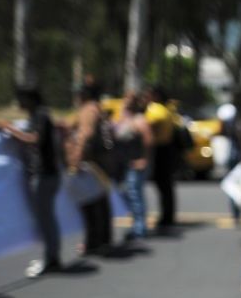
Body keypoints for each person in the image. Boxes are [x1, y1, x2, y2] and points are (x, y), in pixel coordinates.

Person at [0, 85, 63, 276]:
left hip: (44, 175)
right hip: (45, 174)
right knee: (46, 218)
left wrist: (8, 128)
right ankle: (51, 256)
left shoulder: (41, 115)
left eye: (21, 99)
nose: (19, 103)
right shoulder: (38, 115)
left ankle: (52, 259)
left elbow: (34, 139)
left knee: (45, 219)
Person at [67, 82, 113, 255]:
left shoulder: (88, 110)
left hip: (91, 162)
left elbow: (85, 133)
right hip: (98, 161)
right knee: (99, 201)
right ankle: (102, 240)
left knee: (91, 202)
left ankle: (95, 241)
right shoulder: (95, 108)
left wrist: (76, 158)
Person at [114, 92, 153, 241]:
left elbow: (148, 140)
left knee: (135, 195)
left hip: (136, 164)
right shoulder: (125, 118)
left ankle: (140, 228)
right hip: (125, 163)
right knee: (128, 194)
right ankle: (136, 225)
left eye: (129, 100)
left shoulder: (139, 120)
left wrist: (144, 159)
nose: (126, 102)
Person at [144, 85, 178, 232]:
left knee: (163, 185)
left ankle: (166, 217)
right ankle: (168, 215)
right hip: (167, 149)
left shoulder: (156, 109)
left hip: (160, 150)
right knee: (166, 187)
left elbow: (150, 126)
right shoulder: (168, 109)